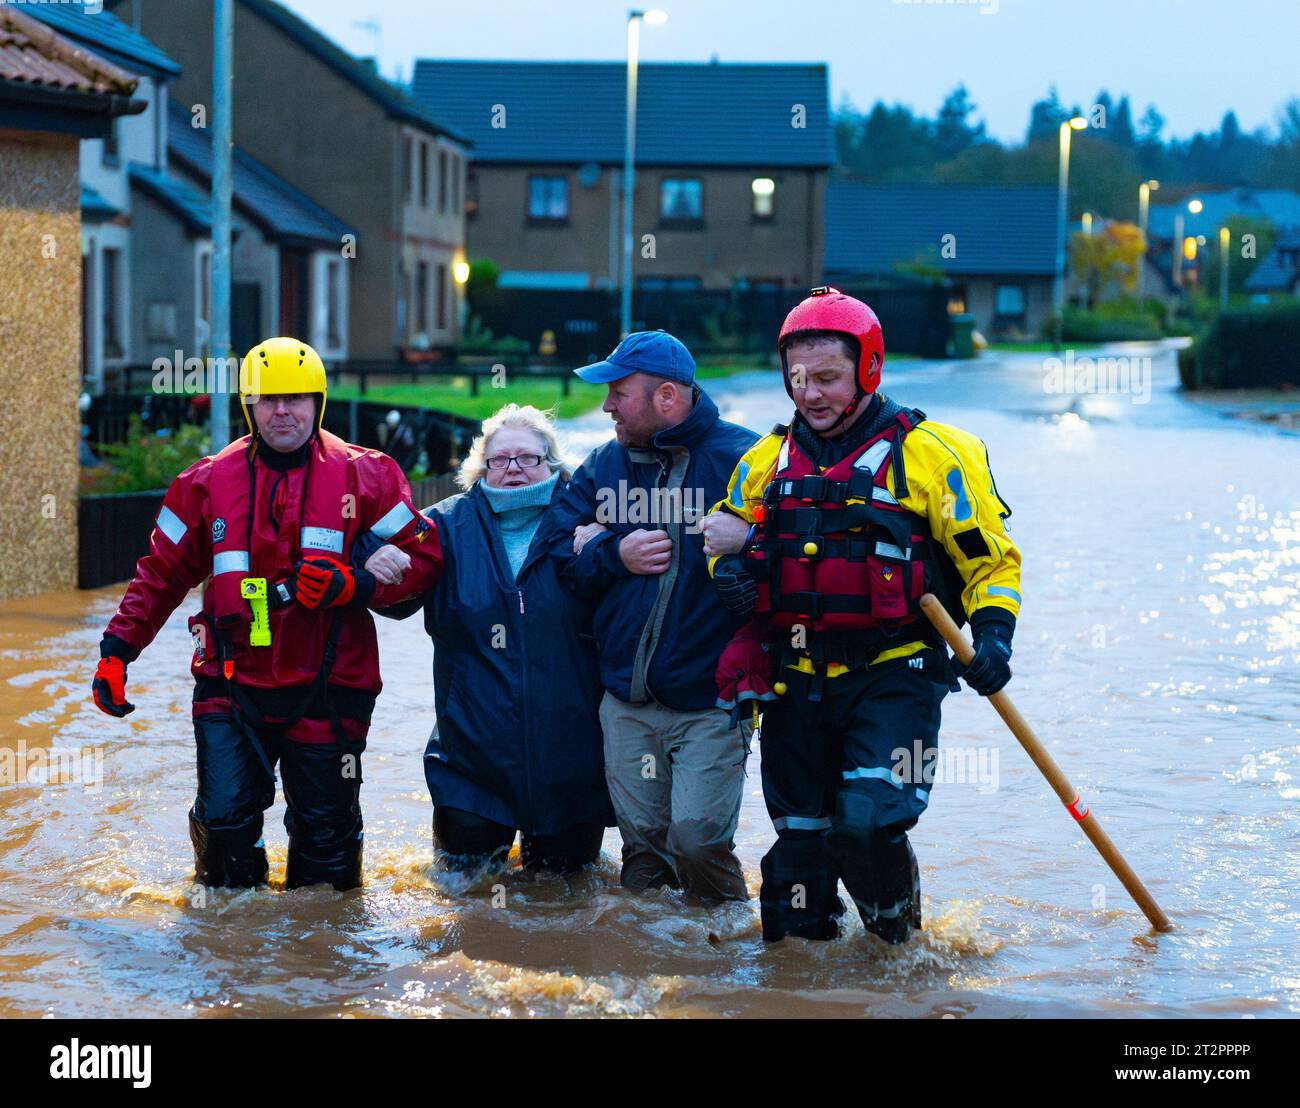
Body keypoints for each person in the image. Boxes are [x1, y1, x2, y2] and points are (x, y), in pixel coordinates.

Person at [701, 287, 1022, 944]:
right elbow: (721, 542)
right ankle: (797, 982)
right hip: (796, 681)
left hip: (896, 674)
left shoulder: (937, 454)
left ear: (868, 371)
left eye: (827, 378)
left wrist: (994, 636)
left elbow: (990, 563)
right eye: (797, 378)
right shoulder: (766, 461)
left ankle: (899, 952)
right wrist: (733, 576)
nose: (810, 394)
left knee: (867, 825)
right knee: (799, 858)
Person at [91, 337, 442, 891]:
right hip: (231, 684)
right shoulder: (204, 483)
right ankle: (236, 959)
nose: (283, 411)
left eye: (296, 399)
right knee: (225, 837)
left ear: (318, 403)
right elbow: (160, 573)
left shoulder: (367, 476)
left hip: (330, 686)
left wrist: (357, 583)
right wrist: (117, 650)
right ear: (248, 406)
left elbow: (425, 558)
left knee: (326, 860)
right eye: (268, 399)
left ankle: (315, 969)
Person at [546, 330, 758, 902]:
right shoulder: (603, 464)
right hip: (626, 704)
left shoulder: (746, 459)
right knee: (642, 853)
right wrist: (613, 554)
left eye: (618, 392)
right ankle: (650, 971)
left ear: (666, 397)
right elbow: (554, 551)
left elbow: (798, 558)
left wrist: (752, 539)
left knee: (696, 841)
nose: (607, 405)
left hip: (713, 702)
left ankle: (736, 957)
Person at [358, 404, 614, 876]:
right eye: (500, 460)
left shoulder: (589, 525)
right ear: (481, 466)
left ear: (553, 465)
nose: (514, 468)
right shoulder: (441, 528)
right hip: (470, 766)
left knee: (566, 908)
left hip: (571, 767)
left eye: (529, 458)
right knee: (465, 902)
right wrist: (375, 567)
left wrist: (608, 545)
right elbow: (393, 595)